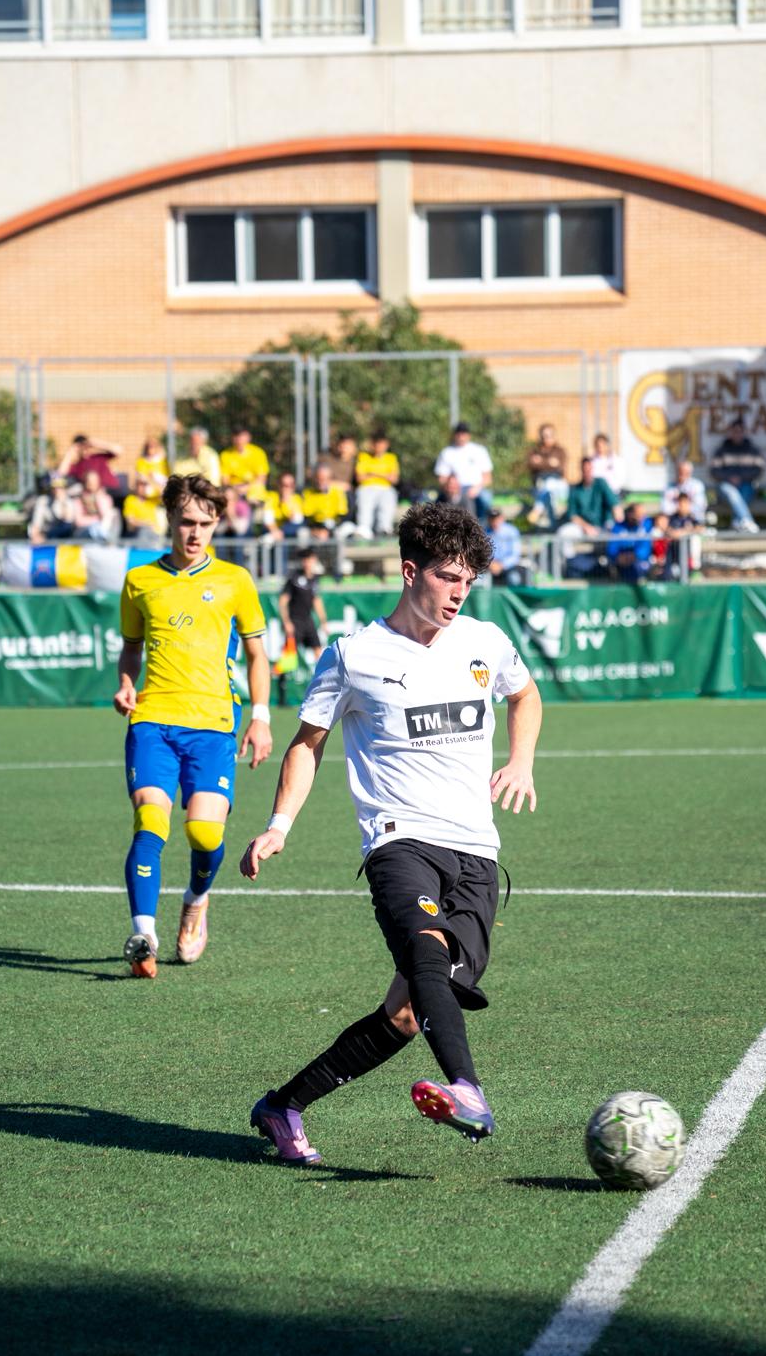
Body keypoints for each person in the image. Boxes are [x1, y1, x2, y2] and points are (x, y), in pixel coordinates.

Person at [240, 502, 542, 1163]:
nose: (460, 592)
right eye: (447, 577)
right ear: (411, 572)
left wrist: (520, 760)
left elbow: (524, 695)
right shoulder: (354, 656)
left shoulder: (485, 644)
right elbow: (306, 744)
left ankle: (282, 1105)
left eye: (469, 579)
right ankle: (468, 1088)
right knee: (426, 955)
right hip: (398, 840)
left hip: (477, 854)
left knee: (407, 1014)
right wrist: (279, 825)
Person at [113, 473, 272, 980]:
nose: (194, 532)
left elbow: (256, 652)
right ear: (169, 521)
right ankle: (145, 934)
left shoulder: (235, 580)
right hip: (153, 720)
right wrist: (124, 682)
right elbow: (131, 647)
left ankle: (196, 900)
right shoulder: (140, 580)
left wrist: (261, 717)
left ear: (218, 523)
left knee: (204, 832)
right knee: (151, 823)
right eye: (185, 521)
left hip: (213, 724)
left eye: (204, 523)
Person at [557, 456, 623, 576]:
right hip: (583, 528)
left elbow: (614, 504)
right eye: (585, 469)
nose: (587, 472)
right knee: (563, 533)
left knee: (617, 532)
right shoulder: (575, 489)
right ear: (581, 470)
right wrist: (586, 527)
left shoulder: (601, 483)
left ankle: (613, 569)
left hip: (603, 526)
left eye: (590, 469)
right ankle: (571, 565)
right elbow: (572, 515)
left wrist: (619, 521)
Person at [710, 419, 765, 533]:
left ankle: (737, 522)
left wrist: (741, 478)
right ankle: (746, 520)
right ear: (730, 432)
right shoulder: (722, 450)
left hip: (746, 485)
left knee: (743, 490)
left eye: (740, 431)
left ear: (744, 432)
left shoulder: (752, 449)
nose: (737, 434)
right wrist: (729, 478)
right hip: (726, 486)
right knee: (731, 491)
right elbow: (714, 470)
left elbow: (759, 468)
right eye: (735, 431)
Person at [434, 422, 493, 521]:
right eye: (459, 433)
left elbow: (488, 478)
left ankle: (482, 526)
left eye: (463, 433)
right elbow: (442, 478)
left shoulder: (479, 450)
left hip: (476, 489)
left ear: (469, 435)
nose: (461, 436)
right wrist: (452, 489)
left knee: (485, 499)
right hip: (455, 490)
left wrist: (476, 489)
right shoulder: (447, 452)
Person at [278, 548, 327, 666]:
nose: (308, 563)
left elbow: (316, 601)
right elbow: (283, 601)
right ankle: (278, 679)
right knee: (288, 658)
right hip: (295, 622)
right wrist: (286, 622)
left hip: (308, 621)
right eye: (305, 560)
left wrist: (323, 621)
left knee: (319, 653)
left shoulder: (315, 579)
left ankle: (322, 682)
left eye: (310, 560)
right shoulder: (293, 578)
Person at [354, 427, 400, 539]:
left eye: (381, 444)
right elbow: (359, 478)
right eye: (376, 444)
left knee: (389, 497)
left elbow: (394, 479)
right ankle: (364, 530)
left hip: (385, 489)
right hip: (366, 488)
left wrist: (372, 473)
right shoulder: (363, 456)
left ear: (386, 445)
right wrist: (384, 475)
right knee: (364, 501)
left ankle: (384, 529)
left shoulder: (391, 458)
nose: (379, 447)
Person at [526, 423, 569, 527]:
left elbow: (560, 467)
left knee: (549, 484)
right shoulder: (535, 450)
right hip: (540, 487)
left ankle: (537, 510)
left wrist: (541, 462)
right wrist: (550, 462)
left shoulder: (560, 451)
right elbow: (531, 465)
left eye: (549, 435)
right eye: (544, 436)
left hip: (559, 486)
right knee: (548, 492)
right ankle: (553, 525)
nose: (547, 438)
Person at [218, 427, 270, 504]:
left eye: (241, 437)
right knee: (228, 494)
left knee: (256, 494)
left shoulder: (258, 453)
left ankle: (254, 512)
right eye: (236, 436)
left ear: (248, 438)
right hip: (234, 488)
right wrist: (235, 488)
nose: (239, 440)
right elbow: (225, 480)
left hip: (253, 487)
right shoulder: (225, 455)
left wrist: (247, 488)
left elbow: (262, 478)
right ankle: (233, 516)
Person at [58, 433, 123, 494]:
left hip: (111, 490)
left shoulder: (99, 457)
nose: (83, 449)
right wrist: (70, 453)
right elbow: (60, 473)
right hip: (92, 497)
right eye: (80, 447)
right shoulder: (77, 466)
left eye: (85, 445)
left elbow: (118, 450)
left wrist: (96, 443)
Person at [301, 462, 350, 540]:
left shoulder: (338, 493)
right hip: (314, 527)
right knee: (302, 533)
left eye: (324, 479)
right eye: (318, 478)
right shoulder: (307, 493)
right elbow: (307, 516)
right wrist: (316, 530)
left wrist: (328, 530)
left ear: (330, 479)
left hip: (334, 525)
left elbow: (342, 515)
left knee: (342, 531)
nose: (321, 482)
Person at [607, 503, 654, 582]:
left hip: (639, 561)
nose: (641, 518)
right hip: (622, 561)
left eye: (643, 515)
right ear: (629, 514)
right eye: (638, 515)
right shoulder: (618, 527)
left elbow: (646, 547)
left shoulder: (647, 525)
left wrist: (635, 556)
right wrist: (618, 557)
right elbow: (612, 547)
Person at [28, 473, 77, 543]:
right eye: (54, 487)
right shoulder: (43, 501)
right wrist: (36, 535)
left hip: (66, 537)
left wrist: (62, 502)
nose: (57, 490)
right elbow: (36, 523)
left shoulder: (69, 502)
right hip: (47, 535)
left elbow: (67, 521)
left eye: (60, 487)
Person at [72, 468, 118, 542]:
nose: (92, 483)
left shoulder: (105, 498)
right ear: (85, 482)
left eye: (94, 480)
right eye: (89, 480)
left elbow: (106, 517)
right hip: (85, 532)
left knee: (114, 513)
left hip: (103, 531)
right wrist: (96, 520)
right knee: (94, 530)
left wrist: (98, 499)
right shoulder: (78, 499)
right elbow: (79, 521)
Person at [486, 507, 526, 586]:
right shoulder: (484, 531)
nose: (494, 521)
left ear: (502, 518)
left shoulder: (511, 531)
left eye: (496, 518)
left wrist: (502, 565)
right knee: (479, 580)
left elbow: (515, 555)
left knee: (514, 579)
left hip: (508, 567)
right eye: (492, 519)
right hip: (488, 567)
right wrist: (489, 564)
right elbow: (480, 553)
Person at [121, 474, 167, 542]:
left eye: (145, 485)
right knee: (144, 532)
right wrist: (147, 523)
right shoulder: (130, 500)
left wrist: (150, 480)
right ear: (136, 486)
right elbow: (130, 521)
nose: (143, 487)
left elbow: (165, 493)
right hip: (138, 532)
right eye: (141, 485)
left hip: (154, 533)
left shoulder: (152, 500)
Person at [662, 459, 707, 524]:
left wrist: (683, 509)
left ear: (690, 473)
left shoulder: (696, 485)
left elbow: (700, 506)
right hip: (674, 521)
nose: (682, 474)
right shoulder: (670, 487)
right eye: (680, 471)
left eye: (685, 472)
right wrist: (681, 508)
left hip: (694, 520)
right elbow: (665, 508)